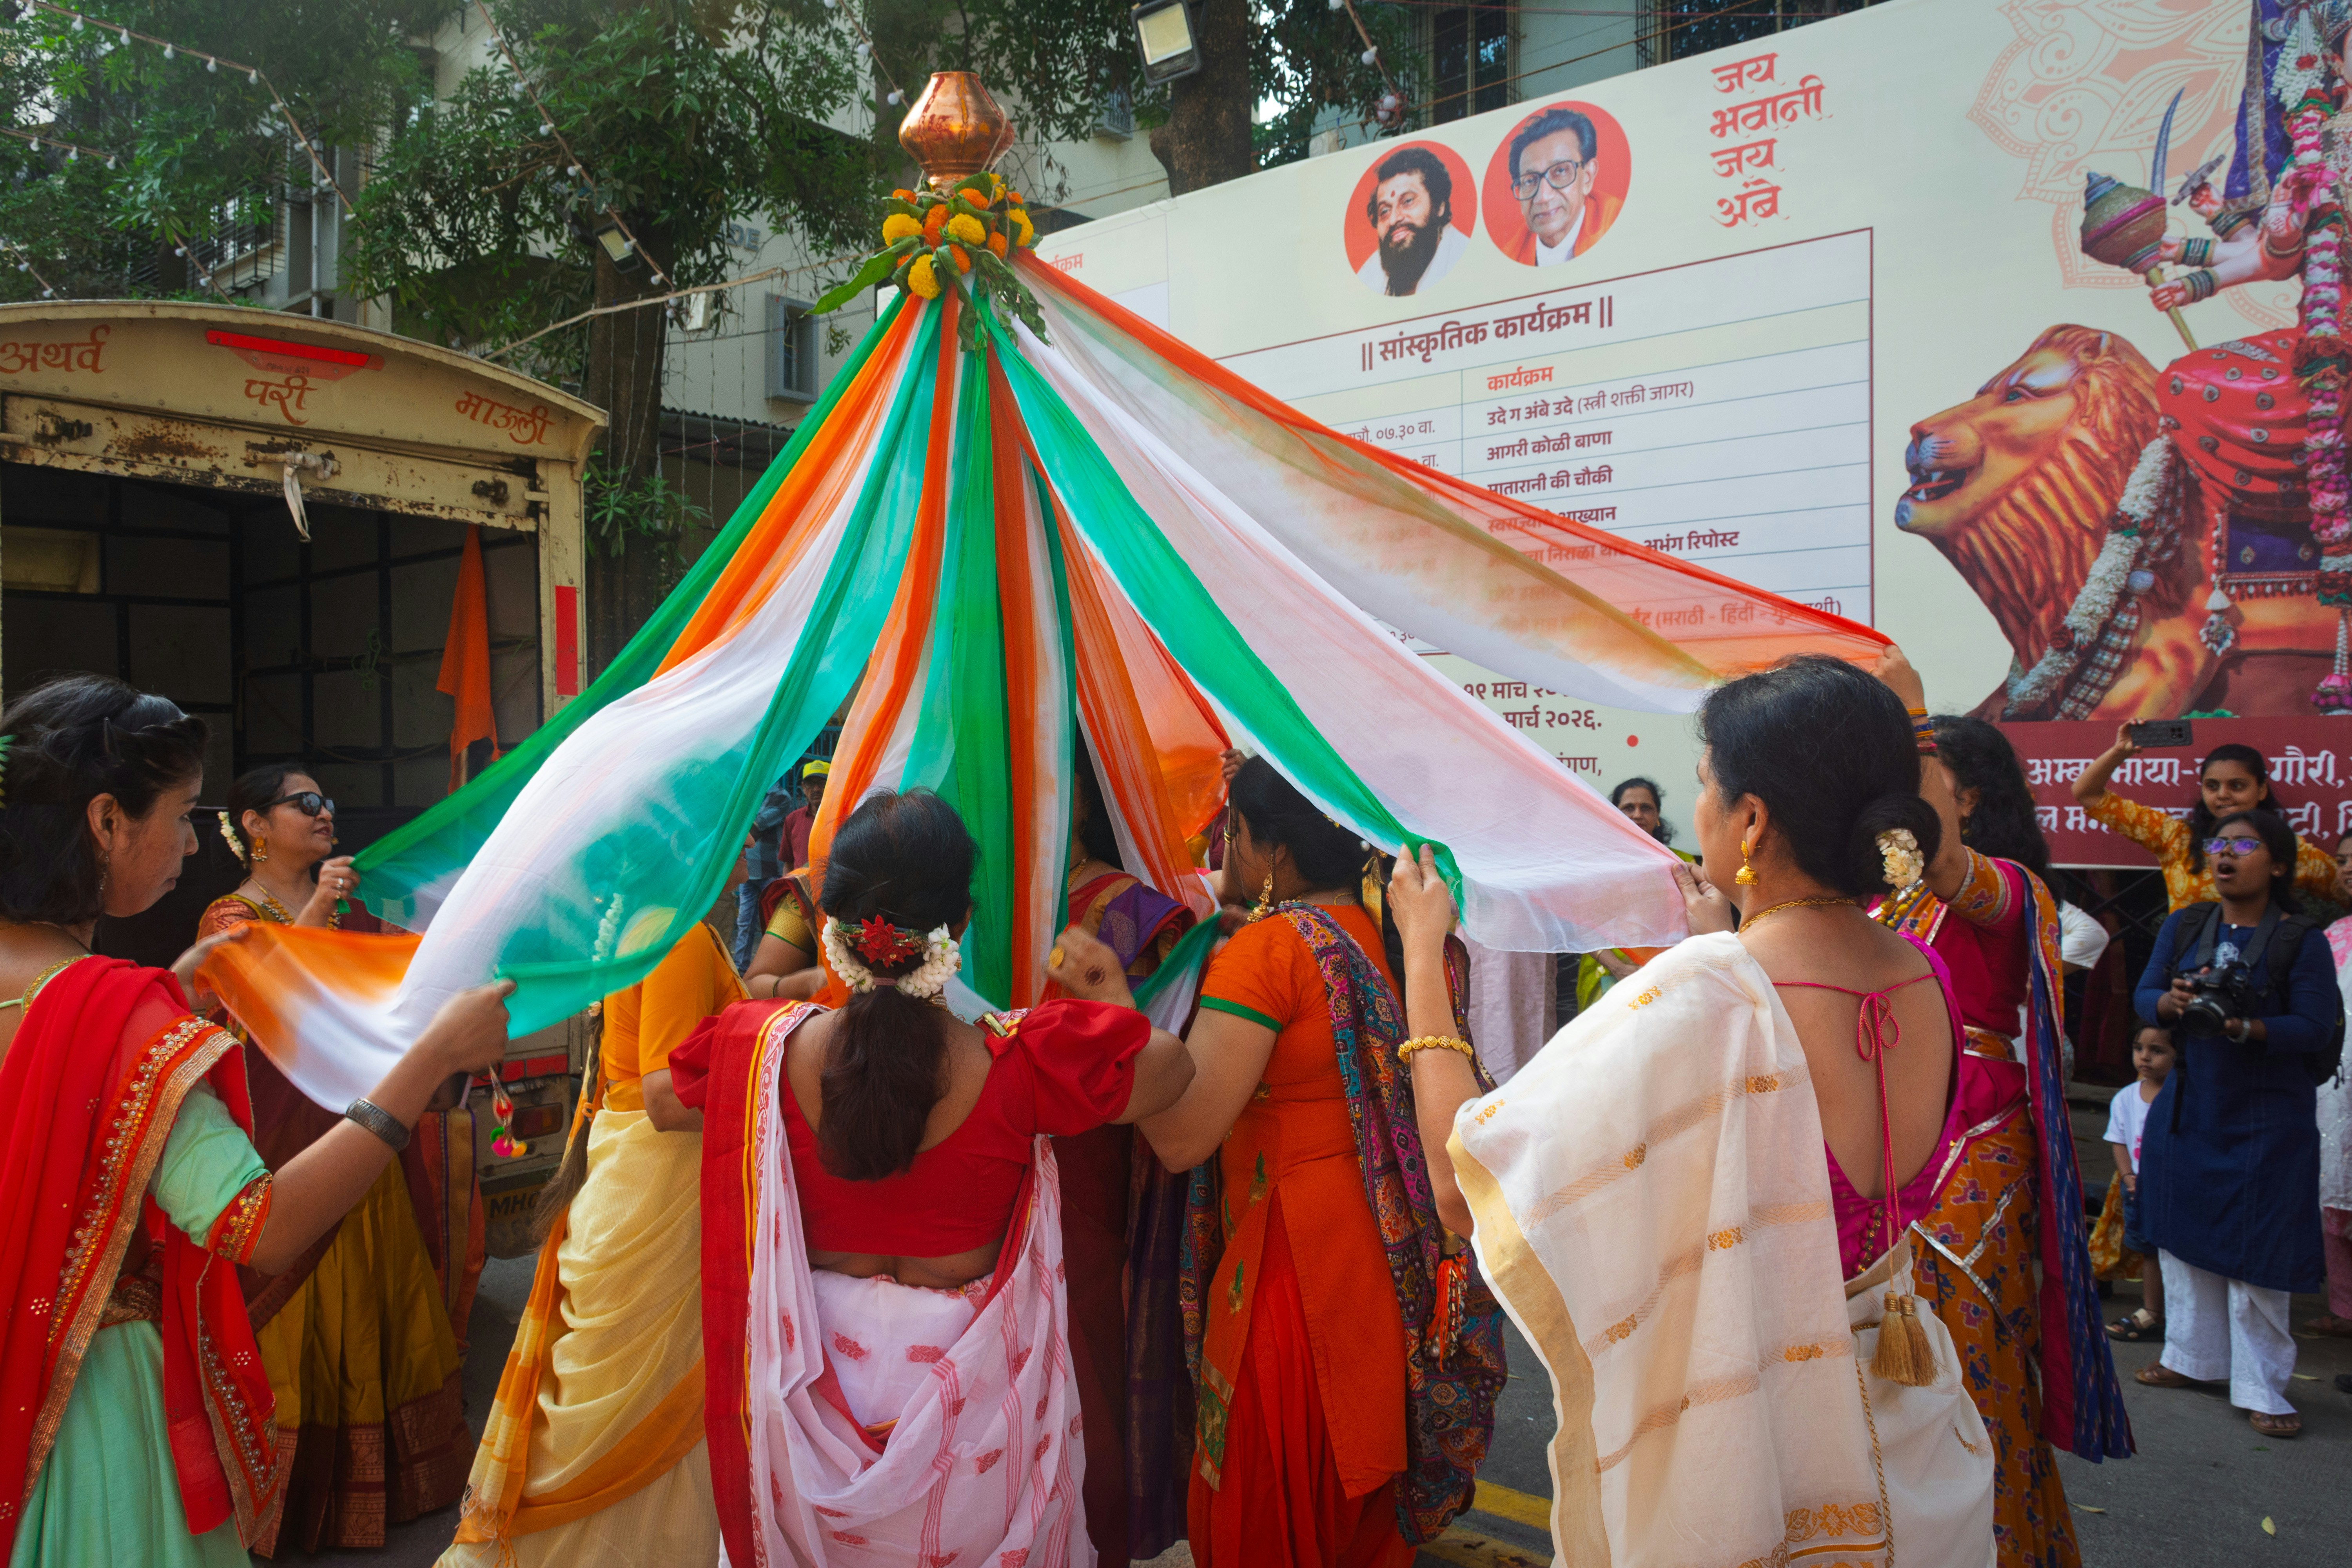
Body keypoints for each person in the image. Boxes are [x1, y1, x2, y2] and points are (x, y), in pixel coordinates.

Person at [1450, 655, 1994, 1566]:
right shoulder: (1922, 971)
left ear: (1751, 817)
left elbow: (1463, 1185)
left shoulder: (1713, 988)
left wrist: (1428, 979)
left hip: (1765, 1408)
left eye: (1705, 784)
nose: (1697, 809)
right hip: (1911, 1408)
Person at [0, 673, 510, 1567]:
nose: (195, 845)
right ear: (107, 821)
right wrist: (426, 1059)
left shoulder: (91, 1000)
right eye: (186, 813)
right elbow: (257, 1224)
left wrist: (186, 991)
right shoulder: (113, 1013)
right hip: (90, 1422)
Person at [674, 789, 1197, 1566]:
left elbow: (661, 1097)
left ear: (833, 922)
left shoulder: (766, 1056)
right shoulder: (1025, 1062)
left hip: (813, 1423)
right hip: (977, 1451)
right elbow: (1172, 1068)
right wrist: (1106, 991)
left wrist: (762, 1053)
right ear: (959, 924)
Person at [1136, 757, 1503, 1567]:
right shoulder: (1407, 939)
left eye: (1229, 832)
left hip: (1288, 1279)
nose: (1222, 851)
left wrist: (1101, 1015)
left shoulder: (1267, 952)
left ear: (1271, 854)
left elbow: (1181, 1136)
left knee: (1268, 1504)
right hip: (1383, 1265)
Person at [1873, 690, 2131, 1567]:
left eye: (1917, 771)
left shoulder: (2007, 890)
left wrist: (1905, 712)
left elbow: (1942, 863)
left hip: (1973, 1140)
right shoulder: (1892, 902)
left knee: (1971, 1365)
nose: (1895, 788)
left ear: (1968, 793)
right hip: (1887, 1129)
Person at [196, 767, 481, 1555]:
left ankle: (394, 1482)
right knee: (303, 1313)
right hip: (288, 1147)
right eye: (306, 803)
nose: (328, 812)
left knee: (379, 1295)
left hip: (360, 1128)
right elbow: (256, 1006)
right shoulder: (229, 915)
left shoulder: (347, 903)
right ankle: (297, 1498)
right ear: (255, 823)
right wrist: (320, 909)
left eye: (329, 800)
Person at [443, 844, 750, 1567]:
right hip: (655, 1190)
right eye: (735, 823)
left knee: (618, 1412)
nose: (746, 842)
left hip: (637, 1184)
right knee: (630, 1416)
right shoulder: (671, 933)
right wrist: (783, 1080)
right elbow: (667, 1098)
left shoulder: (652, 923)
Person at [2133, 808, 2341, 1438]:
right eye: (2218, 844)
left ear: (2278, 864)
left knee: (2258, 1249)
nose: (2225, 854)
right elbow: (2147, 996)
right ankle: (2192, 1360)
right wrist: (2172, 1003)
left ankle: (2262, 1387)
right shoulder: (2186, 923)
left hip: (2265, 1113)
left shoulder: (2299, 940)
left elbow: (2314, 1027)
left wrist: (2241, 1026)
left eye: (2244, 845)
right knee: (2181, 1235)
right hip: (2192, 1101)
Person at [1059, 745, 1201, 1561]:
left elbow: (1156, 1056)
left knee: (1091, 1360)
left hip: (1096, 1168)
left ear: (1081, 794)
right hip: (999, 1156)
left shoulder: (1127, 909)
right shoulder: (981, 899)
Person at [2069, 729, 2337, 910]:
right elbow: (2087, 793)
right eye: (2212, 786)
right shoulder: (2176, 838)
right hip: (2184, 985)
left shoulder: (2288, 849)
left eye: (2237, 786)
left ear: (2262, 790)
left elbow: (2344, 890)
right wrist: (2120, 751)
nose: (2223, 796)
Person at [1575, 778, 1690, 1009]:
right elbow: (1581, 925)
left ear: (1657, 817)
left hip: (1669, 975)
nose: (1637, 814)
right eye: (1629, 808)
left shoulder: (1682, 864)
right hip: (1608, 972)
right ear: (1615, 816)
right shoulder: (1597, 866)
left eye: (1646, 808)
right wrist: (1617, 968)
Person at [2101, 1025, 2175, 1342]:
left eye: (2157, 1051)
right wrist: (2128, 1176)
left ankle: (2182, 1316)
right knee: (2149, 1251)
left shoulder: (2181, 1096)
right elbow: (2118, 1140)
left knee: (2177, 1254)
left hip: (2175, 1188)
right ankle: (2153, 1311)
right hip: (2140, 1189)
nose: (2145, 1057)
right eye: (2139, 1048)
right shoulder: (2126, 1098)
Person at [2315, 830, 2352, 1338]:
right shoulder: (2333, 934)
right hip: (2335, 1087)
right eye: (2343, 860)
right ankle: (2345, 1309)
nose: (2348, 868)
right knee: (2333, 1201)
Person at [1502, 105, 1619, 265]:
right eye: (1530, 181)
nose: (1543, 197)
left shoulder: (1619, 229)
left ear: (1588, 177)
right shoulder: (1508, 258)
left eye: (1561, 171)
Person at [1356, 146, 1467, 297]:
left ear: (1440, 205)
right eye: (1385, 211)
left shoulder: (1465, 260)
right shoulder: (1369, 279)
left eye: (1408, 201)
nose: (1394, 219)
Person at [735, 773, 797, 971]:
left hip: (770, 870)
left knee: (771, 925)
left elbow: (754, 828)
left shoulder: (781, 797)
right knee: (745, 922)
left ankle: (768, 969)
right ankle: (741, 968)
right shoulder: (752, 795)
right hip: (749, 870)